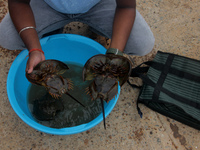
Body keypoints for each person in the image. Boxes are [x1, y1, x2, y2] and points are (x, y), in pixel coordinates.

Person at [0, 0, 155, 73]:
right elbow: (18, 2)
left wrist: (115, 54)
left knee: (142, 43)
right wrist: (34, 48)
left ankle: (97, 27)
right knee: (7, 36)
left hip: (98, 5)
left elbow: (126, 6)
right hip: (48, 5)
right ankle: (54, 28)